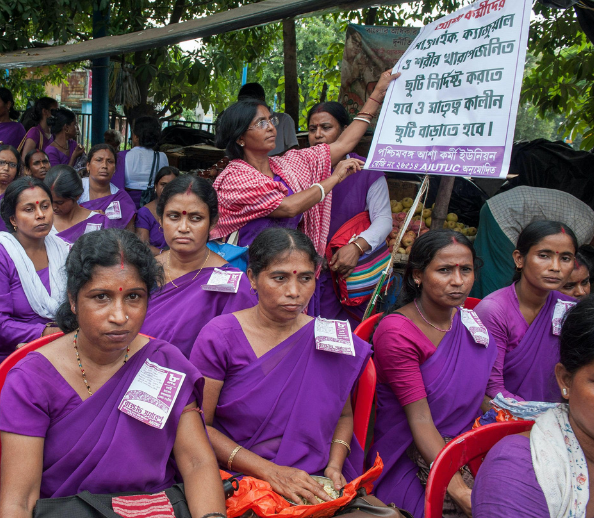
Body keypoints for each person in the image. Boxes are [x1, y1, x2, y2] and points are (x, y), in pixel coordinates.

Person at [0, 229, 227, 518]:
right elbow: (19, 500)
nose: (120, 316)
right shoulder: (32, 379)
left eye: (133, 297)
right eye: (101, 297)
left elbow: (196, 462)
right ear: (73, 300)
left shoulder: (165, 362)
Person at [191, 227, 371, 503]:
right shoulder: (220, 336)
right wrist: (271, 472)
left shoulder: (329, 337)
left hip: (315, 478)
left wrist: (334, 466)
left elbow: (344, 417)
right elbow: (198, 426)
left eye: (306, 279)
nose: (294, 292)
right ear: (252, 277)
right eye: (280, 278)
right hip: (240, 479)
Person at [369, 230, 496, 518]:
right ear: (417, 276)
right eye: (444, 270)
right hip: (411, 455)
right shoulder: (398, 333)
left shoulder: (468, 320)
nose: (458, 281)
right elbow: (421, 419)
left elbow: (479, 396)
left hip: (468, 447)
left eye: (466, 270)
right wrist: (458, 489)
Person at [211, 69, 398, 256]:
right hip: (249, 270)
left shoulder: (288, 164)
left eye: (270, 120)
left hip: (288, 265)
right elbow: (289, 207)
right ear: (240, 137)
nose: (270, 128)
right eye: (261, 123)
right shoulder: (235, 178)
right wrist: (334, 178)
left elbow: (343, 144)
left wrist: (377, 94)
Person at [471, 294, 594, 518]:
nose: (554, 267)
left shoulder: (559, 305)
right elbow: (490, 389)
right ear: (566, 380)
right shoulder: (518, 468)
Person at [142, 175, 256, 358]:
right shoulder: (143, 270)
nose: (183, 227)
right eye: (174, 216)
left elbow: (239, 353)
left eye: (196, 218)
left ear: (212, 222)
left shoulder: (234, 285)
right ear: (161, 220)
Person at [307, 101, 391, 326]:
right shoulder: (301, 168)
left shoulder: (366, 171)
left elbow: (383, 220)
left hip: (348, 272)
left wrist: (357, 246)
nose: (318, 135)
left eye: (326, 127)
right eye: (312, 129)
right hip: (307, 270)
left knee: (344, 337)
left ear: (345, 131)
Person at [476, 221, 579, 403]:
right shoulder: (494, 310)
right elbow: (492, 387)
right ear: (519, 258)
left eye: (565, 258)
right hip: (505, 415)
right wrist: (536, 418)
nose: (555, 267)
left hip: (559, 416)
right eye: (544, 256)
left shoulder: (570, 309)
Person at [0, 177, 67, 364]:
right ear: (13, 219)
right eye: (29, 209)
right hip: (12, 351)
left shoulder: (62, 249)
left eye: (45, 206)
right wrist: (49, 333)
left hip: (62, 342)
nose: (40, 215)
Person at [472, 186, 594, 298]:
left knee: (487, 265)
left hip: (500, 205)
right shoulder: (586, 228)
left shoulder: (588, 217)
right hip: (505, 213)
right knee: (503, 272)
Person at [45, 164, 112, 244]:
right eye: (49, 201)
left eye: (59, 202)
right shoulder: (43, 221)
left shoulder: (97, 222)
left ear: (77, 196)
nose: (53, 207)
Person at [79, 143, 137, 230]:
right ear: (88, 166)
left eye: (110, 161)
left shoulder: (121, 199)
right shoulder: (76, 188)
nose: (104, 166)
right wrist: (88, 215)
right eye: (99, 160)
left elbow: (129, 235)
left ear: (115, 169)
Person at [237, 82, 298, 156]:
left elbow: (294, 149)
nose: (270, 128)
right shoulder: (244, 125)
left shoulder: (284, 119)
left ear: (261, 100)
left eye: (273, 121)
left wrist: (271, 160)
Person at [122, 116, 168, 209]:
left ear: (135, 136)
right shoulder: (162, 157)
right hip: (152, 205)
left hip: (127, 204)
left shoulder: (123, 156)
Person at [136, 166, 179, 254]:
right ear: (156, 186)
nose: (167, 189)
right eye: (163, 184)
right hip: (154, 262)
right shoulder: (144, 213)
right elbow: (142, 246)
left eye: (171, 185)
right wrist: (163, 254)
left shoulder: (184, 210)